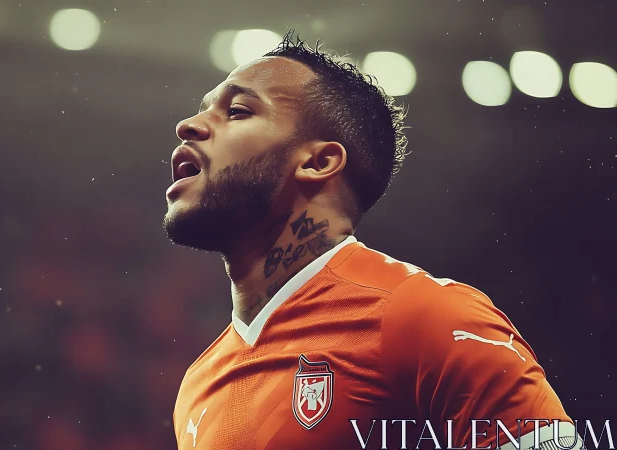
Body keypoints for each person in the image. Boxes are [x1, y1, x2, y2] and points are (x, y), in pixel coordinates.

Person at [163, 31, 576, 450]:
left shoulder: (428, 316)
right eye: (202, 111)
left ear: (319, 162)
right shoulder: (197, 386)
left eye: (236, 110)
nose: (188, 125)